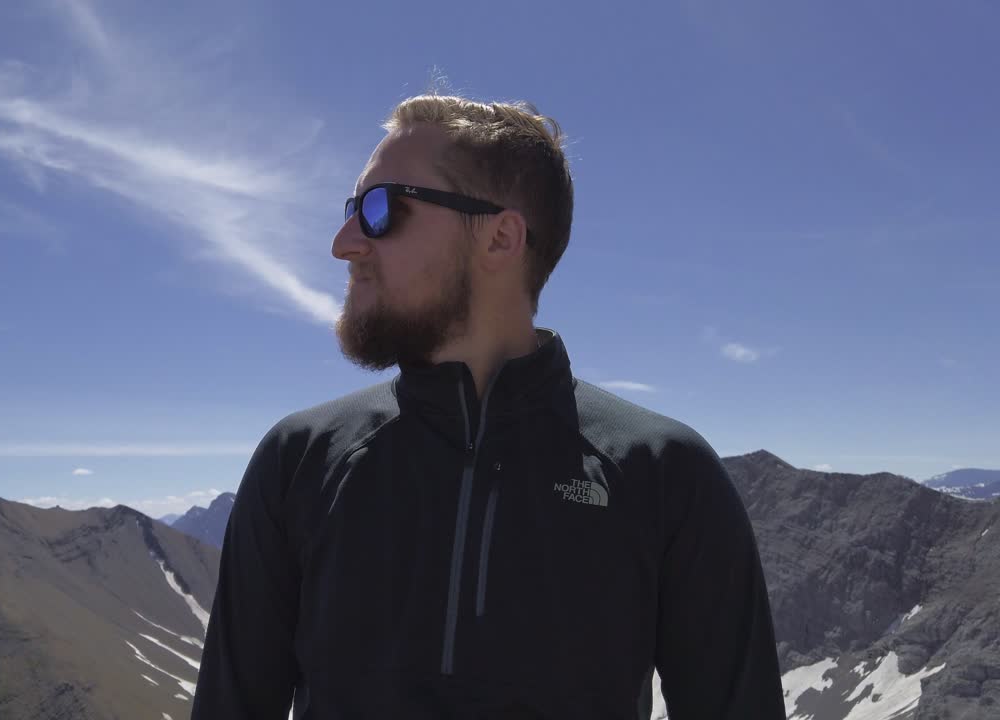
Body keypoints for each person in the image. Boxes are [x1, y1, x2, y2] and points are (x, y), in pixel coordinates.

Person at [192, 93, 786, 719]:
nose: (345, 244)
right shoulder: (300, 458)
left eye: (379, 208)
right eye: (351, 209)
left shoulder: (665, 471)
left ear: (500, 237)